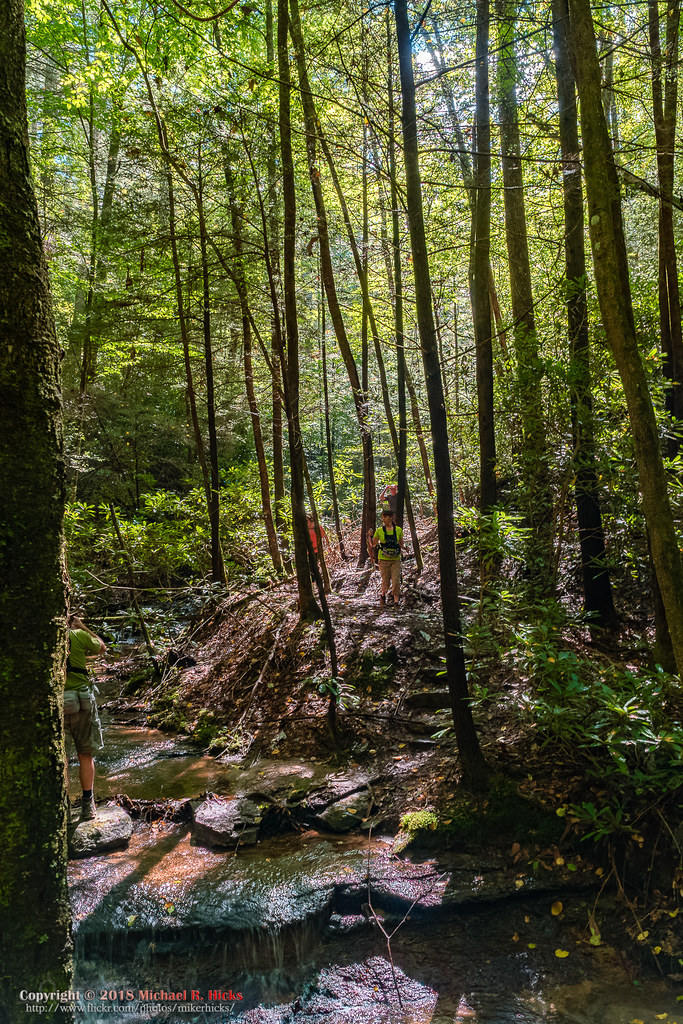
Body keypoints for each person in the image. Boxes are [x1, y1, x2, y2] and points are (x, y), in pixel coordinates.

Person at [64, 613, 106, 820]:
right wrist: (83, 626)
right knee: (85, 754)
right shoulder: (79, 635)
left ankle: (61, 804)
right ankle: (88, 804)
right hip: (81, 700)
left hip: (58, 702)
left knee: (61, 757)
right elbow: (101, 648)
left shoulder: (46, 639)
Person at [368, 508, 405, 607]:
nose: (383, 519)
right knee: (386, 581)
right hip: (383, 560)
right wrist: (370, 537)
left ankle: (396, 602)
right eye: (382, 517)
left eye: (385, 517)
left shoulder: (398, 530)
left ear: (391, 517)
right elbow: (373, 545)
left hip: (396, 559)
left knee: (396, 581)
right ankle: (383, 596)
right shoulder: (379, 531)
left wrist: (405, 547)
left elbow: (401, 544)